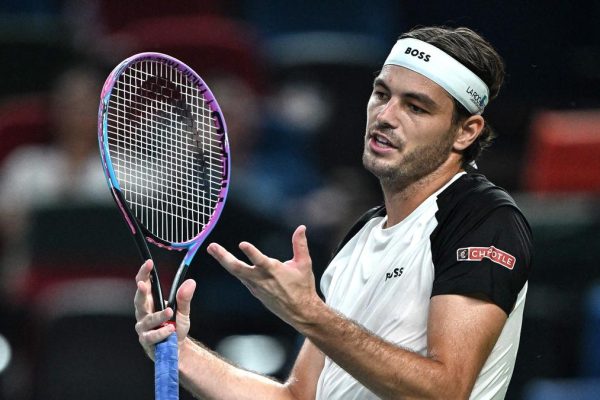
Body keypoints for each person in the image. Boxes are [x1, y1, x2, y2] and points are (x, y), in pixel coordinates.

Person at [134, 25, 532, 399]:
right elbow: (297, 396)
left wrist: (309, 312)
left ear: (466, 131)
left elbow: (445, 391)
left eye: (415, 107)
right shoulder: (361, 236)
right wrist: (179, 353)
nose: (385, 116)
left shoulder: (483, 219)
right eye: (382, 94)